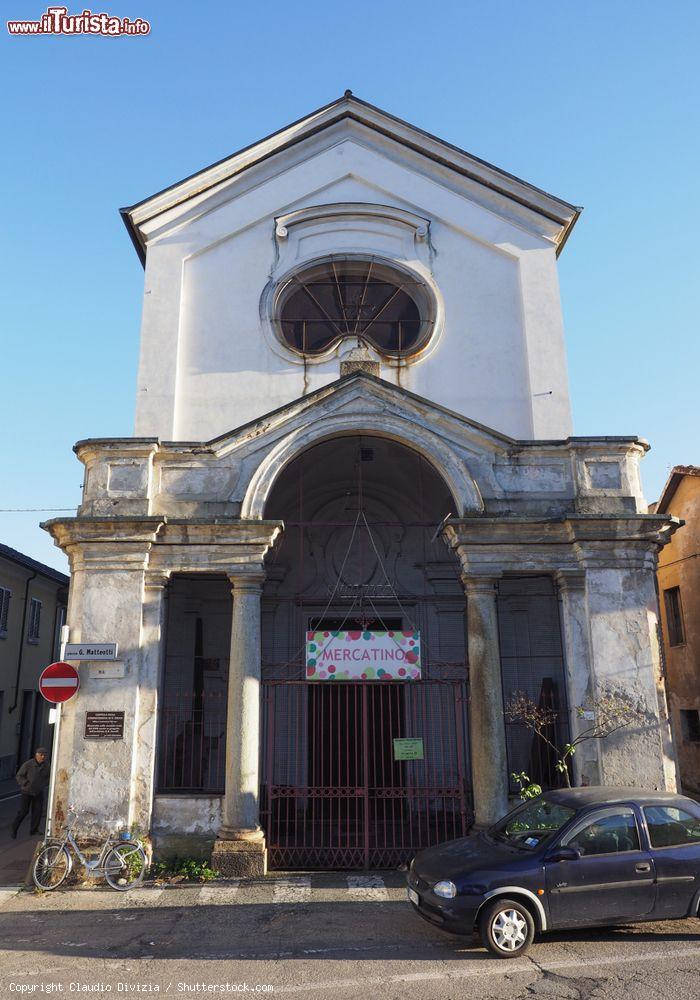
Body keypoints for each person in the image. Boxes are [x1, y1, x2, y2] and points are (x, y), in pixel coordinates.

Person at [11, 747, 49, 838]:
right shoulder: (28, 764)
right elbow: (19, 776)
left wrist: (44, 784)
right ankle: (14, 829)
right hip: (27, 792)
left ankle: (34, 830)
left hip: (38, 792)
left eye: (44, 755)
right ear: (36, 755)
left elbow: (48, 777)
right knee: (24, 812)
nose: (43, 757)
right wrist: (25, 783)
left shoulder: (47, 766)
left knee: (37, 812)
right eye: (41, 755)